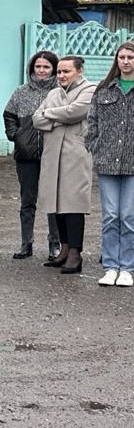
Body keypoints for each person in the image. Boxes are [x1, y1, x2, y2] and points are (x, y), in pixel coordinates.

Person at [32, 56, 95, 274]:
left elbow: (76, 112)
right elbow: (36, 120)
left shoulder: (90, 89)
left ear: (79, 71)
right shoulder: (53, 93)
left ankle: (76, 253)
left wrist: (50, 114)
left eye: (66, 71)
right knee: (56, 201)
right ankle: (64, 249)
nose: (61, 76)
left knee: (73, 203)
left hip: (75, 154)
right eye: (59, 72)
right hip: (52, 154)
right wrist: (59, 117)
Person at [2, 50, 61, 260]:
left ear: (53, 68)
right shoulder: (21, 92)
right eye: (38, 66)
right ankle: (26, 243)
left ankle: (55, 243)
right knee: (27, 200)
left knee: (53, 200)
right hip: (26, 155)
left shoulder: (60, 91)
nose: (42, 70)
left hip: (53, 153)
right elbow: (8, 114)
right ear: (32, 68)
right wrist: (15, 135)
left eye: (46, 67)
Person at [85, 42, 134, 287]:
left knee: (128, 216)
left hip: (133, 164)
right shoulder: (104, 89)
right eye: (122, 57)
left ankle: (126, 267)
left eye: (130, 57)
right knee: (110, 216)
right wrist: (93, 145)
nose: (125, 61)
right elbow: (92, 121)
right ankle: (110, 267)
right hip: (107, 162)